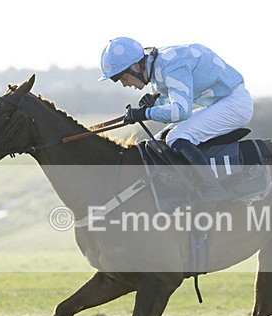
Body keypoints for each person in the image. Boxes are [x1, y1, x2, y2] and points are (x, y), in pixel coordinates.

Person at [99, 37, 253, 201]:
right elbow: (172, 99)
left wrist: (144, 114)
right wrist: (155, 103)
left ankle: (213, 190)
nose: (124, 84)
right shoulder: (158, 67)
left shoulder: (170, 65)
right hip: (221, 103)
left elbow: (181, 111)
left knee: (176, 137)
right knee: (160, 139)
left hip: (235, 104)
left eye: (123, 78)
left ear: (135, 66)